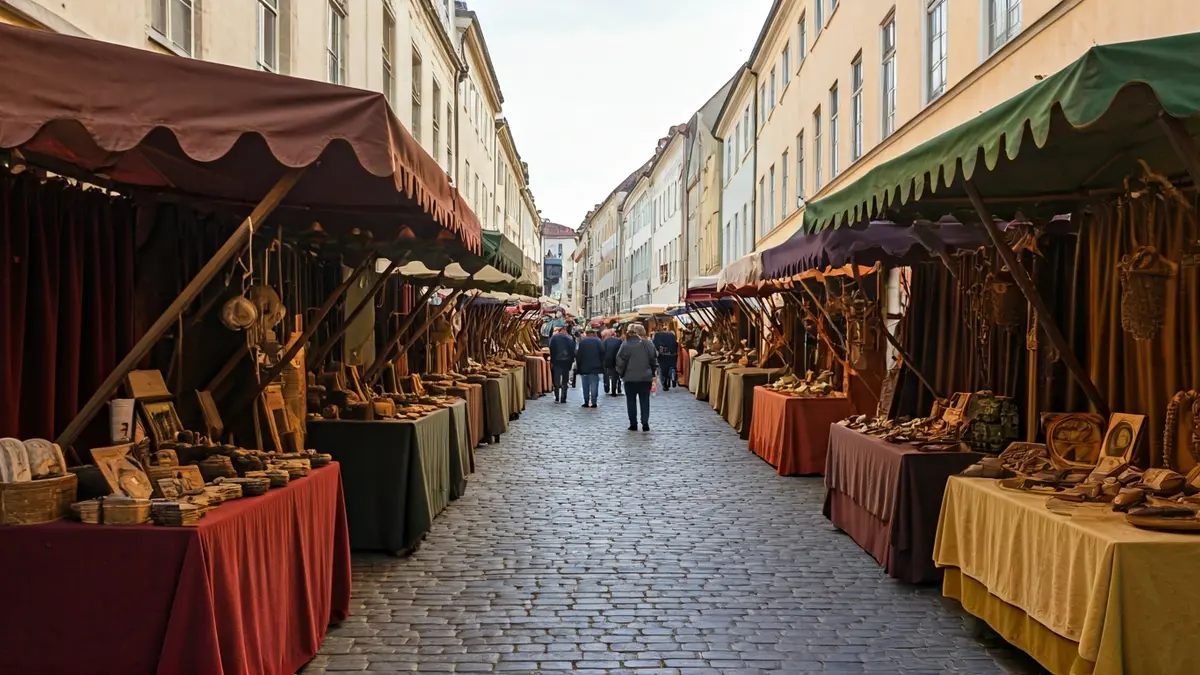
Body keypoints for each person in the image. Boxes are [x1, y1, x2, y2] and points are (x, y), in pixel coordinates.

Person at [615, 323, 658, 431]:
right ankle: (645, 423)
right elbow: (654, 359)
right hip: (645, 378)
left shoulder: (626, 344)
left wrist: (622, 373)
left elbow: (619, 360)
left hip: (629, 378)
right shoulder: (649, 344)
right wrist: (652, 372)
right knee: (645, 400)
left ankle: (633, 423)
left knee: (631, 401)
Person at [575, 328, 605, 408]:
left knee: (585, 385)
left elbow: (579, 355)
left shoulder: (582, 342)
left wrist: (579, 366)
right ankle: (594, 402)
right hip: (595, 367)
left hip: (584, 367)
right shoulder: (598, 341)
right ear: (594, 333)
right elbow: (602, 353)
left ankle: (586, 401)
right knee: (594, 385)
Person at [548, 326, 576, 403]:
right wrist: (571, 360)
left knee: (556, 379)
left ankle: (557, 397)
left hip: (557, 360)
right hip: (566, 361)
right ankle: (563, 397)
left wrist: (552, 360)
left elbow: (551, 348)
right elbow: (572, 350)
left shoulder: (554, 338)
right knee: (565, 380)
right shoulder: (569, 339)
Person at [652, 325, 679, 392]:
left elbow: (654, 345)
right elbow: (676, 345)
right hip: (672, 355)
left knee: (663, 370)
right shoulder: (671, 335)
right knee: (672, 367)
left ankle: (665, 384)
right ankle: (672, 379)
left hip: (662, 356)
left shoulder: (657, 336)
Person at [602, 328, 623, 396]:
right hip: (616, 360)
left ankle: (607, 387)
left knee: (607, 374)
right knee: (616, 375)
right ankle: (615, 389)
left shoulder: (605, 341)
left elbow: (603, 351)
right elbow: (621, 351)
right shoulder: (619, 341)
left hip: (607, 360)